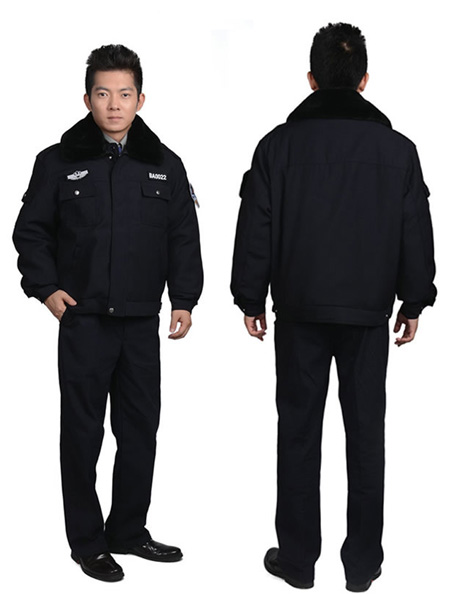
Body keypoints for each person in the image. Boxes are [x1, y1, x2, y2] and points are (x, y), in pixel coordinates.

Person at [231, 23, 436, 593]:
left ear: (311, 80)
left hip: (299, 312)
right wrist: (414, 299)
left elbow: (256, 224)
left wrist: (250, 295)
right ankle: (363, 565)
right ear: (364, 80)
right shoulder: (398, 151)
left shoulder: (277, 146)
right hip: (368, 315)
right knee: (366, 436)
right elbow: (414, 230)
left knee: (298, 434)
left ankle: (298, 561)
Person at [13, 44, 203, 583]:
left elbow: (183, 236)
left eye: (124, 94)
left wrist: (184, 298)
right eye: (103, 94)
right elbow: (31, 232)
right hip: (85, 321)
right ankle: (88, 542)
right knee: (82, 435)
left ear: (141, 99)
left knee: (140, 432)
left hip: (141, 323)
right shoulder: (57, 162)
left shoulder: (165, 164)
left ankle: (128, 531)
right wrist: (46, 289)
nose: (114, 104)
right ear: (87, 99)